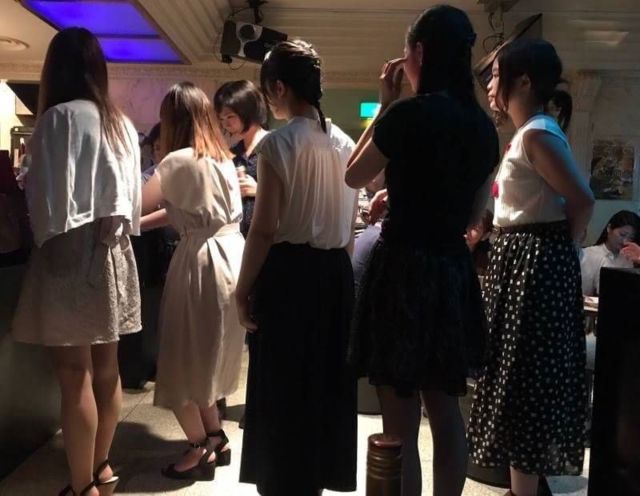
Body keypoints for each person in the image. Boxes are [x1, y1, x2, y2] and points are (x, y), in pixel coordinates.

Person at [346, 6, 499, 496]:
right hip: (450, 271)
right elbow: (474, 211)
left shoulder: (407, 114)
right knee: (446, 410)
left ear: (419, 51)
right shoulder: (482, 127)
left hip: (402, 268)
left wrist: (385, 104)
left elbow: (353, 175)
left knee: (400, 419)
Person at [11, 28, 141, 496]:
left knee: (73, 374)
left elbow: (45, 203)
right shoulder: (120, 123)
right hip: (114, 251)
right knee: (107, 370)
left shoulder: (58, 118)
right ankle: (101, 470)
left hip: (69, 250)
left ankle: (82, 485)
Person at [467, 38, 595, 496]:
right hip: (524, 265)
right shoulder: (530, 133)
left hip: (533, 271)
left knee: (523, 385)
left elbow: (582, 200)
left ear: (522, 81)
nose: (490, 86)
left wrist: (559, 252)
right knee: (521, 383)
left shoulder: (538, 133)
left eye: (495, 76)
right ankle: (524, 488)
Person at [236, 39, 358, 496]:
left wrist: (241, 290)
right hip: (335, 274)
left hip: (289, 276)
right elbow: (348, 231)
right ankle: (315, 481)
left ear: (279, 88)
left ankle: (282, 483)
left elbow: (264, 229)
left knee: (283, 388)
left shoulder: (277, 144)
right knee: (325, 386)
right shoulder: (346, 144)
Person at [140, 82, 245, 480]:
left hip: (201, 260)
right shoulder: (222, 159)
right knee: (206, 358)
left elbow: (135, 204)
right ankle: (216, 436)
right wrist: (141, 224)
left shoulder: (176, 162)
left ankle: (199, 446)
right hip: (231, 256)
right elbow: (180, 210)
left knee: (180, 360)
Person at [214, 80, 269, 237]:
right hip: (238, 237)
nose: (226, 124)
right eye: (222, 119)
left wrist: (259, 191)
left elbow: (295, 195)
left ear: (249, 111)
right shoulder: (232, 153)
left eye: (230, 116)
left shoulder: (274, 145)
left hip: (271, 237)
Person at [580, 210, 640, 295]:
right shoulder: (589, 254)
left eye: (631, 238)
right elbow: (583, 292)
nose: (625, 241)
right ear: (609, 228)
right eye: (622, 234)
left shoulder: (629, 257)